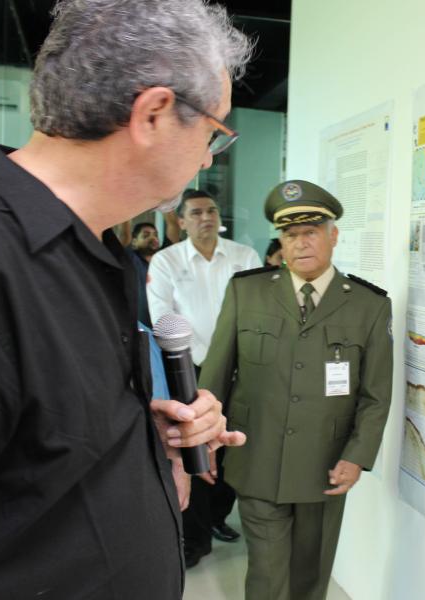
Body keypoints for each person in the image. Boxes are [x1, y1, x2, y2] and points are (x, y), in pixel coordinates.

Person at [0, 1, 252, 598]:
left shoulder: (97, 251)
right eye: (213, 131)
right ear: (154, 114)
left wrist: (147, 433)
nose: (209, 157)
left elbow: (34, 444)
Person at [200, 179, 394, 600]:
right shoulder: (246, 291)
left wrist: (357, 456)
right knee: (267, 576)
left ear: (333, 236)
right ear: (281, 242)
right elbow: (214, 377)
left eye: (311, 232)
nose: (300, 243)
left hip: (325, 465)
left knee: (310, 577)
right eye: (290, 234)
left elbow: (376, 395)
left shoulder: (369, 306)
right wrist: (206, 441)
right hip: (256, 456)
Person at [147, 188, 261, 567]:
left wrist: (228, 358)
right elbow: (163, 318)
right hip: (188, 373)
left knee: (231, 450)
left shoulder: (244, 257)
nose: (206, 217)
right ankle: (193, 540)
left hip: (240, 369)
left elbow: (257, 313)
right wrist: (204, 361)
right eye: (195, 213)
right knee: (194, 454)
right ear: (181, 221)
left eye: (211, 210)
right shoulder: (166, 261)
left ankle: (217, 517)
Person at [128, 221, 161, 326]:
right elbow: (124, 234)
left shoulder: (163, 263)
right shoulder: (130, 260)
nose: (153, 238)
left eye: (155, 235)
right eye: (146, 235)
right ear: (134, 242)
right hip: (138, 329)